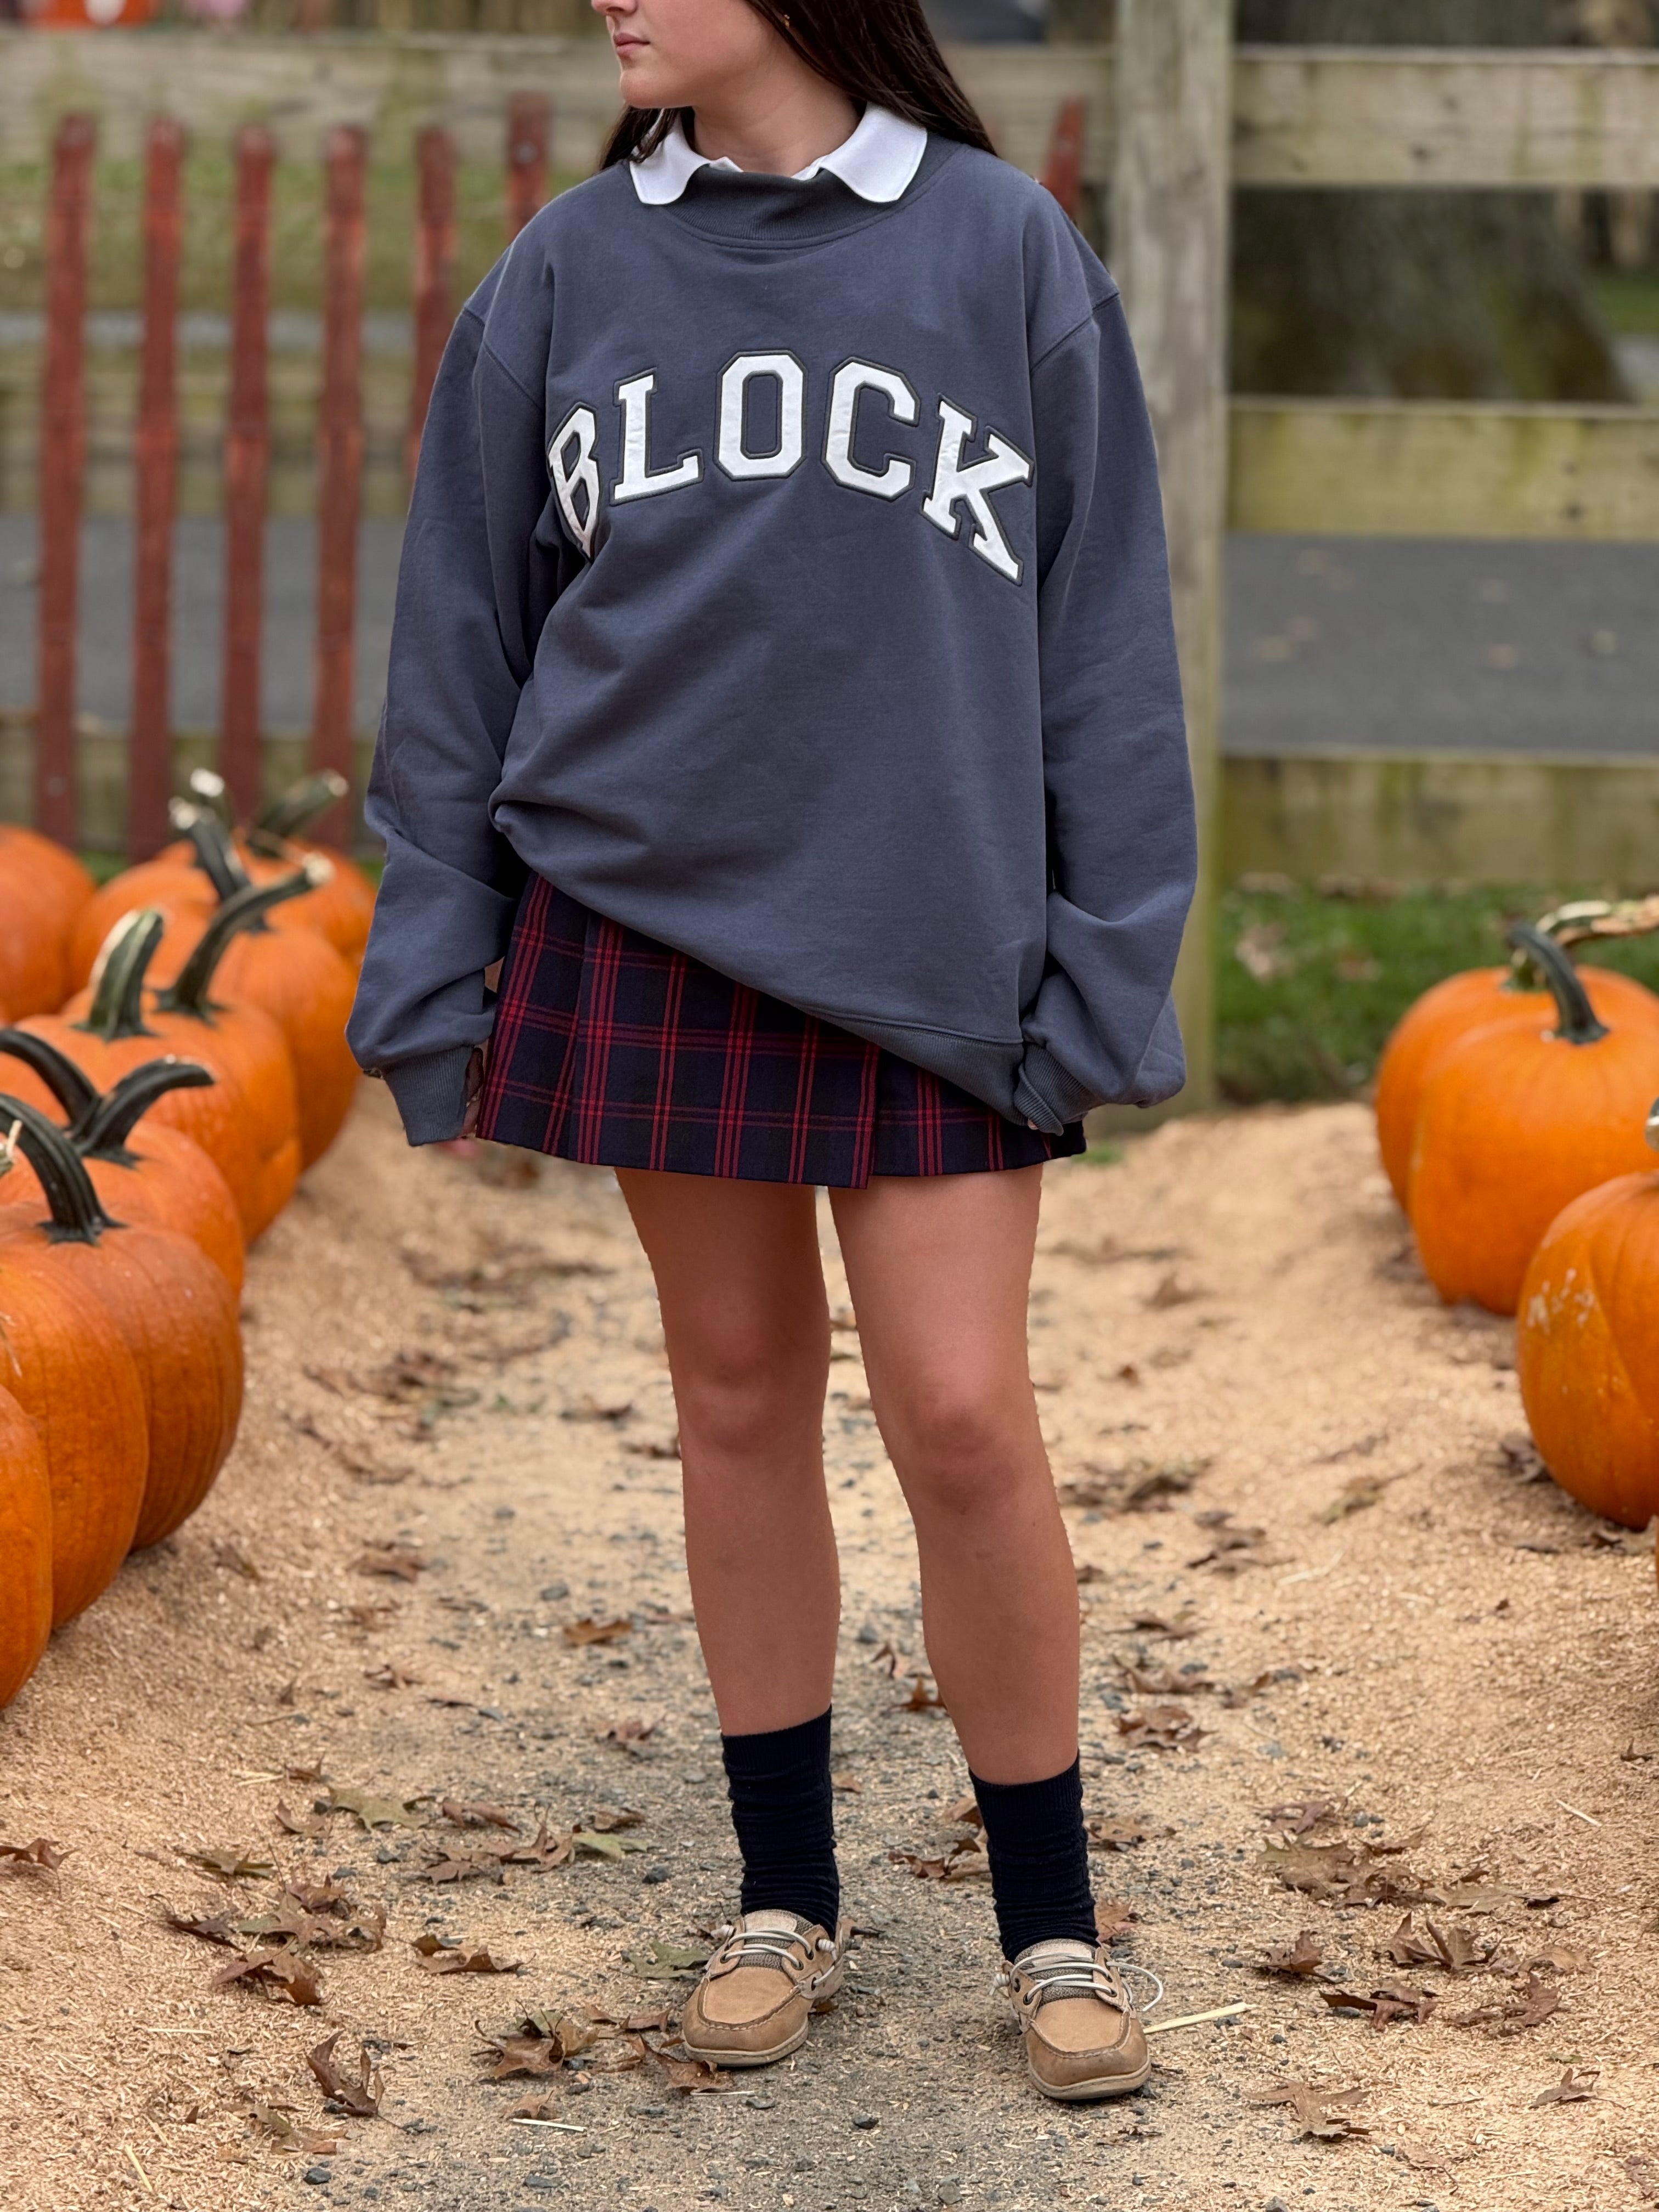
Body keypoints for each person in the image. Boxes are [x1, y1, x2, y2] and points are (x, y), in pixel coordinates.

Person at [348, 0, 1195, 2103]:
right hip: (643, 917)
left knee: (967, 1414)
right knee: (735, 1399)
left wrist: (1105, 956)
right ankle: (781, 1900)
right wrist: (436, 961)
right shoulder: (564, 267)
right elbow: (465, 640)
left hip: (933, 934)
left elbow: (1104, 637)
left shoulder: (1001, 248)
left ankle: (1054, 1920)